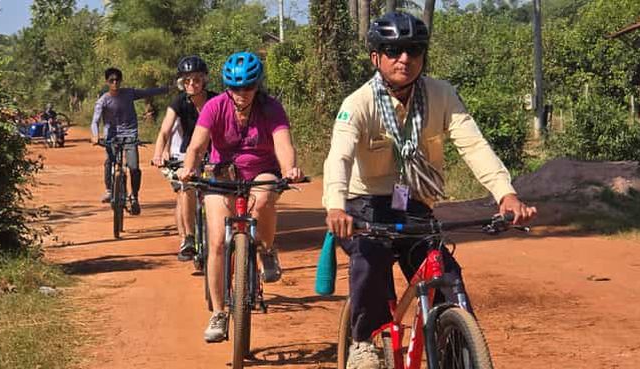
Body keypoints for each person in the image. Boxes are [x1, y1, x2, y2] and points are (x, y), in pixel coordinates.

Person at [322, 12, 537, 369]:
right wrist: (335, 207)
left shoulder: (442, 94)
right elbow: (339, 157)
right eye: (393, 50)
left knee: (447, 279)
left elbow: (473, 145)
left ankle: (458, 352)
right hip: (364, 206)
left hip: (413, 202)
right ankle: (363, 343)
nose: (404, 59)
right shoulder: (357, 104)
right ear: (376, 57)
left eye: (413, 50)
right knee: (370, 260)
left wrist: (505, 193)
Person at [177, 51, 304, 343]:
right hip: (222, 175)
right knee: (218, 243)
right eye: (235, 88)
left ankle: (267, 250)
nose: (241, 94)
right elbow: (197, 146)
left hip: (261, 171)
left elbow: (283, 144)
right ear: (226, 87)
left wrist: (289, 169)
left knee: (267, 194)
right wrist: (188, 168)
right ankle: (219, 312)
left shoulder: (271, 108)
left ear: (257, 85)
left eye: (247, 87)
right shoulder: (214, 106)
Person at [151, 56, 218, 262]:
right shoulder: (179, 103)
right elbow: (164, 130)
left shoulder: (217, 100)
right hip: (187, 153)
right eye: (186, 80)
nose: (191, 84)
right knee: (186, 188)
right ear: (181, 83)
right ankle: (188, 237)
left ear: (204, 80)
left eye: (196, 80)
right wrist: (158, 153)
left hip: (214, 153)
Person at [90, 67, 169, 215]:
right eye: (112, 80)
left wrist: (165, 89)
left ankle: (134, 197)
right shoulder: (103, 101)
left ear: (121, 80)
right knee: (109, 162)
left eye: (117, 80)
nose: (115, 83)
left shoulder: (129, 93)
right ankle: (109, 190)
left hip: (130, 136)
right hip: (111, 138)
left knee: (134, 167)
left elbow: (147, 92)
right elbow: (95, 121)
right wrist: (95, 135)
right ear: (107, 82)